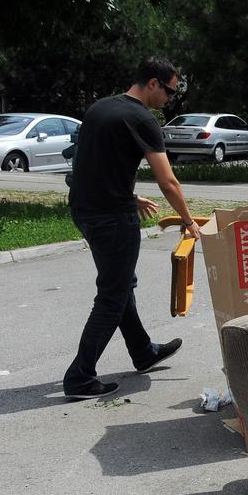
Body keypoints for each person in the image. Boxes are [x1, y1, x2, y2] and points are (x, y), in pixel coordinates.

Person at [62, 57, 201, 399]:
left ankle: (142, 351)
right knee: (112, 295)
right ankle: (80, 377)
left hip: (86, 211)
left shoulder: (100, 109)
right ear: (152, 83)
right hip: (112, 219)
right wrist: (188, 220)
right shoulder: (142, 119)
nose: (170, 99)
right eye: (169, 91)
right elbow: (168, 181)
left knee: (121, 284)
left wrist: (131, 195)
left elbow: (91, 166)